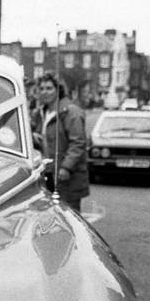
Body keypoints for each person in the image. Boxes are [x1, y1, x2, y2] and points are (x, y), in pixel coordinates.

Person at [35, 73, 89, 211]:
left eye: (49, 88)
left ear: (58, 90)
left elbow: (78, 143)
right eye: (41, 88)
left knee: (68, 214)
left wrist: (66, 167)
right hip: (47, 174)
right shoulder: (40, 113)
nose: (44, 92)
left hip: (67, 178)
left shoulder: (71, 112)